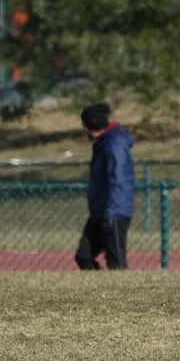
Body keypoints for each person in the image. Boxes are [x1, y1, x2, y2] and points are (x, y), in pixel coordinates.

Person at [76, 102, 136, 270]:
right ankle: (101, 291)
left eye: (85, 125)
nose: (84, 130)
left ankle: (120, 293)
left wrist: (110, 214)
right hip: (100, 212)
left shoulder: (113, 144)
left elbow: (118, 181)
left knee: (116, 262)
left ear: (93, 124)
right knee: (83, 256)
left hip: (114, 212)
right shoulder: (104, 143)